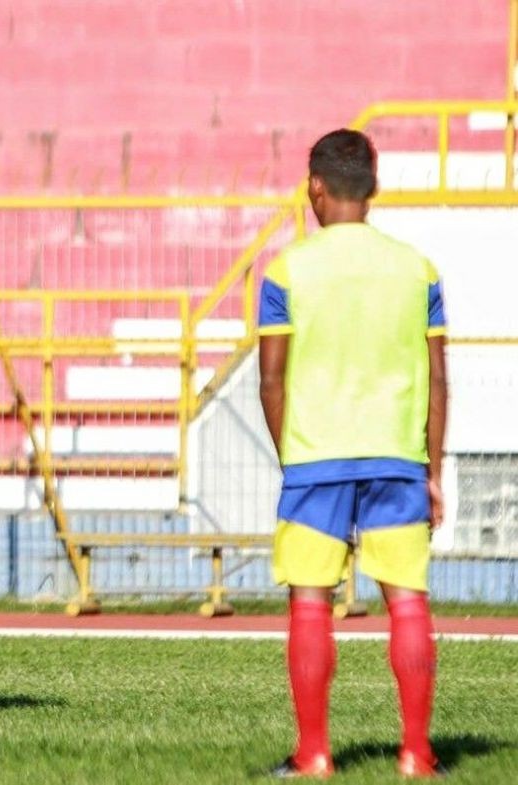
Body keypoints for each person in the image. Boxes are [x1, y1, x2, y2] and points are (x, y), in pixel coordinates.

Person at [258, 129, 448, 779]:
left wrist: (291, 456)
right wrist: (433, 468)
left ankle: (314, 753)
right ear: (373, 186)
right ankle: (416, 753)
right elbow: (438, 374)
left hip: (316, 459)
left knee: (311, 602)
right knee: (408, 601)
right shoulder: (417, 267)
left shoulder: (287, 269)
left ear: (315, 186)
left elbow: (271, 378)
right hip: (398, 454)